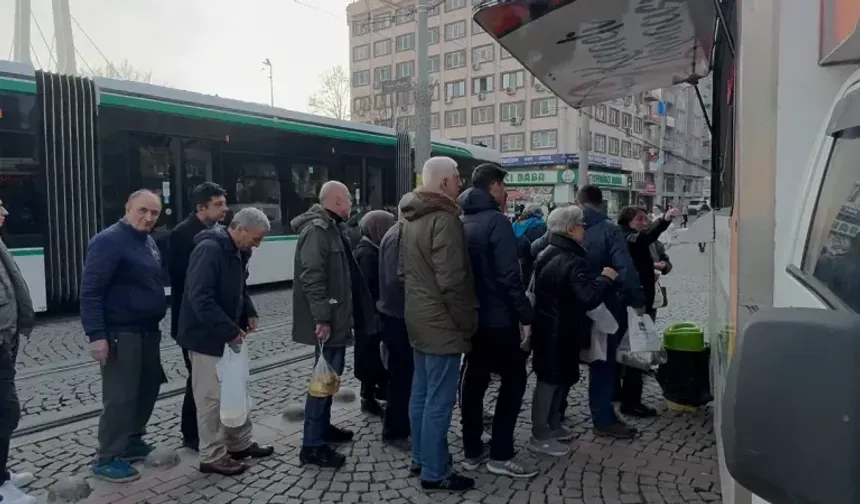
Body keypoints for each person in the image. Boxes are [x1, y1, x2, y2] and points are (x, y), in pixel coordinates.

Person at [176, 207, 273, 475]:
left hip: (225, 332)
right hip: (205, 337)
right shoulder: (210, 249)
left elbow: (239, 286)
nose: (258, 243)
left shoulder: (238, 250)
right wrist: (229, 329)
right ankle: (212, 455)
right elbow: (200, 298)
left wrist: (248, 311)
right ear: (239, 229)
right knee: (210, 399)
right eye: (256, 237)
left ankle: (239, 443)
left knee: (235, 390)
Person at [400, 157, 478, 492]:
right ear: (445, 182)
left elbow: (403, 272)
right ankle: (434, 472)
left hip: (417, 316)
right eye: (458, 178)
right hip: (442, 321)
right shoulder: (444, 220)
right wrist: (466, 324)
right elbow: (453, 282)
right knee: (439, 401)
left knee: (421, 393)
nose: (461, 184)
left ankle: (420, 456)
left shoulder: (409, 217)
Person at [80, 190, 168, 482]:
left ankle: (131, 439)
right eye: (143, 210)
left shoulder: (147, 241)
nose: (149, 217)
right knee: (120, 396)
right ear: (127, 207)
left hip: (147, 331)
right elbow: (91, 291)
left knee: (147, 387)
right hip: (121, 332)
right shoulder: (108, 241)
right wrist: (97, 335)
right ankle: (107, 456)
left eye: (154, 213)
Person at [457, 164, 537, 479]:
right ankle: (501, 453)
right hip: (499, 320)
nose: (506, 193)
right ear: (494, 186)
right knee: (514, 381)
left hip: (473, 318)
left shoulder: (461, 220)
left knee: (474, 381)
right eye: (503, 186)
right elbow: (509, 277)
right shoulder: (496, 223)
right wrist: (526, 316)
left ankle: (472, 450)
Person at [291, 181, 375, 469]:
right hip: (329, 320)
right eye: (349, 198)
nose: (351, 203)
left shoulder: (332, 228)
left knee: (330, 378)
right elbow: (311, 277)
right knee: (322, 381)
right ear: (337, 200)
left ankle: (322, 429)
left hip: (338, 318)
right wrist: (322, 318)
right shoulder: (318, 231)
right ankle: (312, 446)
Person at [529, 206, 617, 456]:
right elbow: (588, 297)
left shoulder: (549, 251)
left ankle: (553, 425)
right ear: (570, 229)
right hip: (559, 329)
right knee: (550, 382)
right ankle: (540, 434)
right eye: (581, 225)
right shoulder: (571, 258)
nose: (584, 230)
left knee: (558, 379)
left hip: (552, 327)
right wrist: (605, 278)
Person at [576, 185, 644, 439]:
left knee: (563, 361)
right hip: (605, 305)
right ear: (601, 203)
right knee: (603, 362)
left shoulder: (566, 225)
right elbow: (624, 268)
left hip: (573, 304)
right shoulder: (609, 230)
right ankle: (603, 418)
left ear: (578, 201)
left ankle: (553, 417)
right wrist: (637, 301)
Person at [167, 182, 229, 452]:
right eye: (218, 204)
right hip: (191, 320)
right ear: (201, 208)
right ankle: (191, 434)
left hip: (213, 316)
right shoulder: (183, 234)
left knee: (213, 378)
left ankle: (210, 430)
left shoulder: (218, 232)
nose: (225, 209)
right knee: (197, 378)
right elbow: (184, 279)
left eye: (224, 203)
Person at [615, 206, 678, 417]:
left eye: (646, 219)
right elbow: (643, 239)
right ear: (627, 221)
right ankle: (630, 402)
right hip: (634, 303)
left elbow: (658, 253)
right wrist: (664, 220)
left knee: (632, 351)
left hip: (641, 301)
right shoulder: (627, 237)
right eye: (640, 219)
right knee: (636, 353)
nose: (644, 222)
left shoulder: (636, 238)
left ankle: (622, 395)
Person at [0, 199, 37, 504]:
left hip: (5, 340)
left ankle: (2, 474)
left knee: (5, 411)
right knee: (5, 411)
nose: (5, 212)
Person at [352, 210, 396, 416]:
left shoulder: (370, 250)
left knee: (373, 358)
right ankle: (368, 398)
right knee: (371, 358)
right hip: (370, 319)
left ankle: (374, 393)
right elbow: (368, 290)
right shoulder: (367, 254)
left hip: (372, 318)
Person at [377, 209, 412, 443]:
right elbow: (393, 280)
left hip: (396, 313)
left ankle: (399, 424)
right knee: (401, 373)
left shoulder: (398, 233)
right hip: (397, 316)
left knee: (403, 373)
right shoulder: (397, 236)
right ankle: (395, 427)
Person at [513, 204, 547, 284]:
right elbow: (539, 245)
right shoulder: (540, 224)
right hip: (531, 261)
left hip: (516, 260)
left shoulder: (515, 223)